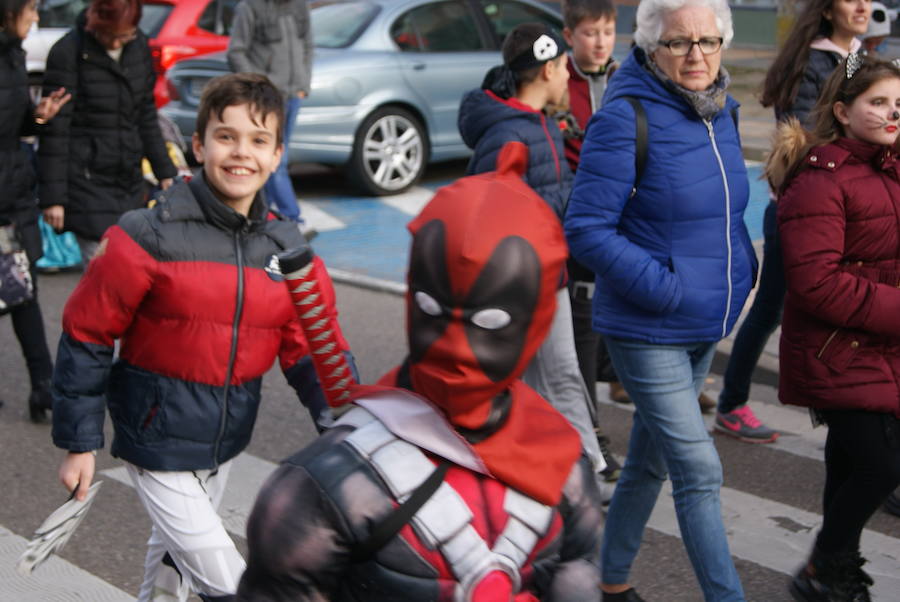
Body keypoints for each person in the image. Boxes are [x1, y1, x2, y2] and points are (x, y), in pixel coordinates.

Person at [236, 141, 605, 601]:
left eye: (488, 323)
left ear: (536, 322)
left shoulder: (565, 466)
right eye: (433, 309)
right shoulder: (323, 485)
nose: (455, 348)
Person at [52, 72, 354, 602]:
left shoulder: (286, 249)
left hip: (225, 437)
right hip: (154, 436)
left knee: (172, 554)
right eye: (226, 136)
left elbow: (311, 346)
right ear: (198, 144)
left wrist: (347, 426)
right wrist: (80, 442)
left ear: (279, 153)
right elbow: (87, 333)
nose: (242, 154)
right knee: (232, 580)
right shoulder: (145, 234)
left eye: (259, 141)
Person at [565, 0, 756, 598]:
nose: (696, 55)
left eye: (708, 41)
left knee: (647, 465)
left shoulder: (721, 111)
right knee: (698, 471)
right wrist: (665, 288)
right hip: (647, 328)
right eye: (678, 43)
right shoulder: (627, 116)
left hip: (706, 320)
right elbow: (587, 226)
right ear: (652, 48)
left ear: (724, 42)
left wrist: (743, 272)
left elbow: (725, 214)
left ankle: (608, 581)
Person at [770, 53, 900, 602]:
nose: (893, 113)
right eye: (879, 103)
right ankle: (824, 564)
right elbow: (816, 282)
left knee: (851, 461)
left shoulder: (890, 165)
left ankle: (835, 570)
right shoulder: (822, 179)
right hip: (836, 350)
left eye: (899, 103)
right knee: (881, 467)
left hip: (877, 343)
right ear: (844, 111)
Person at [457, 22, 608, 480]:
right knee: (534, 379)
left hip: (547, 275)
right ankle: (573, 470)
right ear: (546, 70)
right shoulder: (509, 136)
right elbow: (493, 217)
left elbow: (549, 194)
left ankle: (579, 467)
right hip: (522, 284)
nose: (568, 76)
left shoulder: (540, 125)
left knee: (555, 375)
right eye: (563, 66)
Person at [717, 0, 872, 444]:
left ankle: (835, 406)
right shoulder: (814, 62)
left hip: (844, 210)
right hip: (803, 212)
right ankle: (731, 402)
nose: (864, 5)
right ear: (827, 9)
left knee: (815, 313)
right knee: (772, 309)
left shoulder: (857, 56)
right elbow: (804, 137)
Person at [38, 0, 175, 262]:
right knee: (101, 270)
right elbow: (56, 130)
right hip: (85, 179)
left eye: (124, 36)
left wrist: (165, 171)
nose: (116, 43)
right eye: (110, 35)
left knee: (129, 269)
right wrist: (53, 199)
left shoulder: (139, 47)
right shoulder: (69, 51)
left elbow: (146, 115)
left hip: (128, 177)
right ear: (95, 23)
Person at [0, 0, 70, 422]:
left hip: (14, 190)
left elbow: (15, 124)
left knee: (23, 290)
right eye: (31, 9)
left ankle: (43, 387)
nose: (37, 18)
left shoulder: (14, 53)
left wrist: (38, 118)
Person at [227, 0, 311, 224]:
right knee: (274, 160)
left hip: (294, 96)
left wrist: (304, 84)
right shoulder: (250, 7)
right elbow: (236, 52)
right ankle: (293, 219)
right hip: (268, 100)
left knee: (276, 158)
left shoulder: (299, 6)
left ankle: (264, 217)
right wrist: (261, 89)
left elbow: (307, 45)